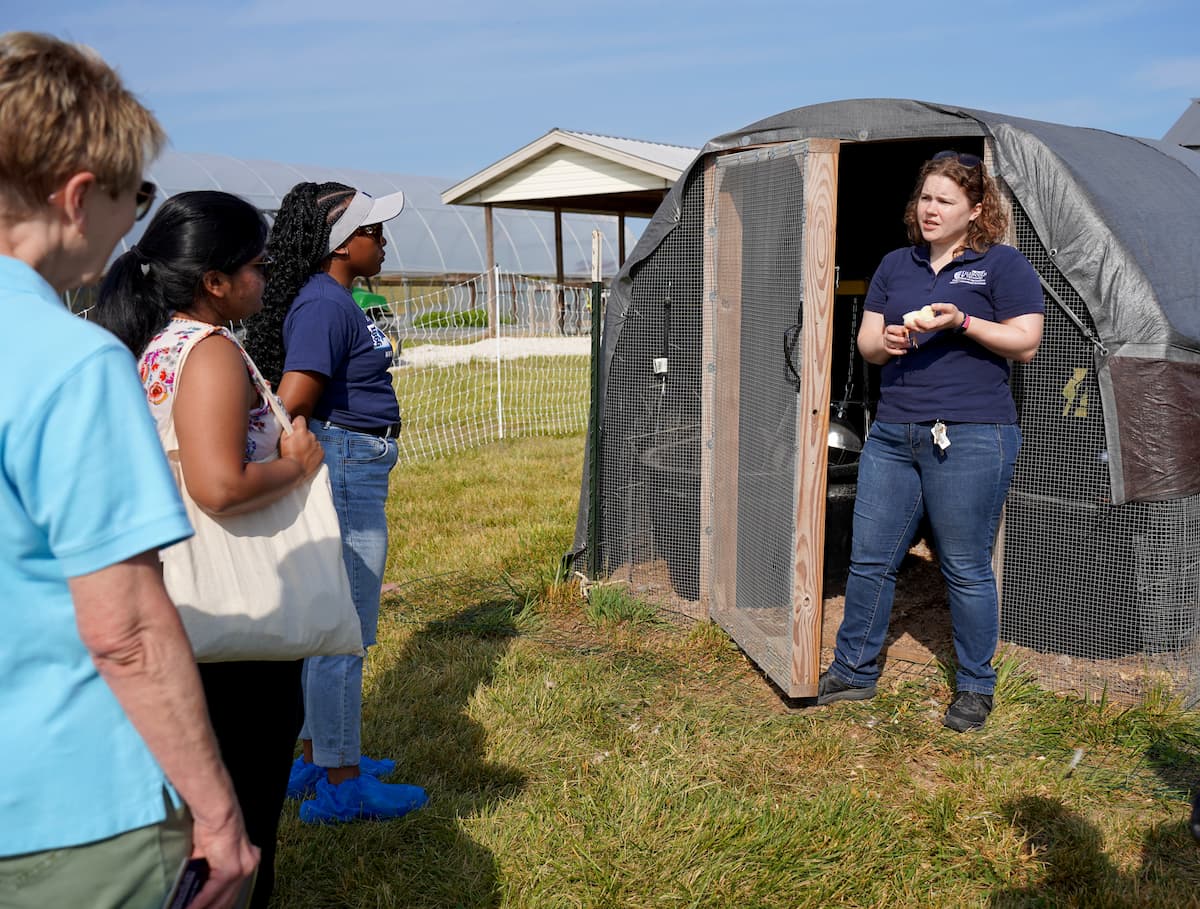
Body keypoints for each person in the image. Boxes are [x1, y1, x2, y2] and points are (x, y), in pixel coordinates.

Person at [0, 31, 256, 908]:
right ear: (77, 197)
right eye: (132, 196)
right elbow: (125, 628)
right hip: (63, 810)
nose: (131, 223)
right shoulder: (66, 361)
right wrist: (218, 814)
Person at [93, 190, 325, 907]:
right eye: (254, 266)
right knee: (245, 804)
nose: (266, 277)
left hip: (188, 606)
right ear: (214, 281)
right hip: (238, 626)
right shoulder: (212, 351)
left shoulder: (157, 346)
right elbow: (220, 484)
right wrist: (297, 462)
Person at [817, 150, 1044, 732]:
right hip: (893, 433)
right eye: (925, 198)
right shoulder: (896, 264)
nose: (930, 210)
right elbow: (866, 344)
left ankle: (974, 686)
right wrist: (888, 340)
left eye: (945, 200)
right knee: (871, 559)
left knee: (964, 565)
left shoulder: (1001, 266)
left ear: (975, 210)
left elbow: (1024, 342)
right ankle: (853, 671)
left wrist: (960, 322)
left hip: (971, 434)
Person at [244, 182, 427, 823]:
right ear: (343, 243)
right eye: (374, 232)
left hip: (355, 462)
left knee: (337, 623)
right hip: (347, 465)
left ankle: (318, 757)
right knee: (342, 632)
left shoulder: (336, 299)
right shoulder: (324, 306)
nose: (383, 241)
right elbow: (291, 399)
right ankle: (342, 784)